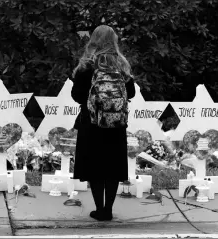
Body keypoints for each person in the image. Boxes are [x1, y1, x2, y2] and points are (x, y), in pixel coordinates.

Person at [70, 25, 135, 221]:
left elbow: (76, 95)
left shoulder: (87, 65)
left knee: (95, 167)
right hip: (116, 124)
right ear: (113, 40)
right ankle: (108, 209)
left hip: (91, 123)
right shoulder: (121, 64)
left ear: (94, 40)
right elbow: (131, 92)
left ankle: (99, 209)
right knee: (112, 167)